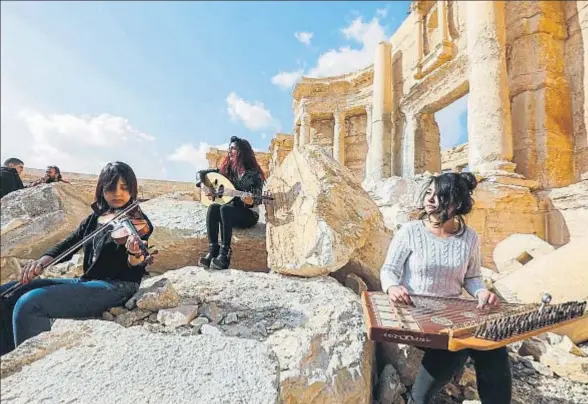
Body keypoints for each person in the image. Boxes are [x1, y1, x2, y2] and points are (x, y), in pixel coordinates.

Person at [380, 172, 511, 404]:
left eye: (438, 195)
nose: (429, 199)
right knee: (455, 347)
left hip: (452, 314)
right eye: (428, 193)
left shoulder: (469, 237)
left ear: (456, 202)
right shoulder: (410, 231)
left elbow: (473, 277)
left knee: (494, 347)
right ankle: (417, 399)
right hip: (417, 314)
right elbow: (389, 270)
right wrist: (392, 288)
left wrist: (481, 292)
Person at [0, 161, 154, 356]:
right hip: (88, 281)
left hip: (117, 286)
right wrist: (40, 263)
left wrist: (135, 254)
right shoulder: (96, 217)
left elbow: (135, 266)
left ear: (132, 189)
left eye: (124, 188)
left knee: (31, 303)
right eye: (111, 187)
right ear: (101, 189)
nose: (118, 193)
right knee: (6, 294)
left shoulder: (139, 222)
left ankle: (29, 364)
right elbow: (68, 244)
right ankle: (7, 360)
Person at [195, 136, 265, 270]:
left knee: (225, 209)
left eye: (233, 149)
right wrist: (204, 186)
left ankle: (225, 255)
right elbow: (200, 173)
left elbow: (257, 199)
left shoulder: (254, 175)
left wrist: (250, 201)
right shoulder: (227, 171)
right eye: (229, 148)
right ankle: (213, 250)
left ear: (242, 152)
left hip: (248, 214)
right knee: (214, 208)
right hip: (229, 211)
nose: (230, 151)